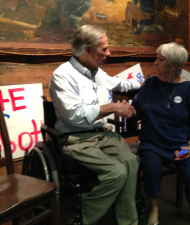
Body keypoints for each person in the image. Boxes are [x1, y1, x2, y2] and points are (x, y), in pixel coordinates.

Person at [49, 25, 141, 225]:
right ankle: (85, 214)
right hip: (76, 139)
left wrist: (148, 84)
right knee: (116, 172)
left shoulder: (96, 72)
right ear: (87, 49)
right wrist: (113, 107)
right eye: (104, 49)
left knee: (132, 163)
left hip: (102, 135)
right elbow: (74, 115)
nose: (109, 53)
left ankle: (129, 222)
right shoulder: (62, 76)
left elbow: (118, 84)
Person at [130, 42, 190, 225]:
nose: (155, 62)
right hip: (152, 146)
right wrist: (126, 109)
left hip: (179, 146)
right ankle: (154, 209)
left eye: (160, 59)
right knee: (152, 171)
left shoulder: (188, 89)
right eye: (156, 58)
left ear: (174, 66)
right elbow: (135, 109)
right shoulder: (150, 83)